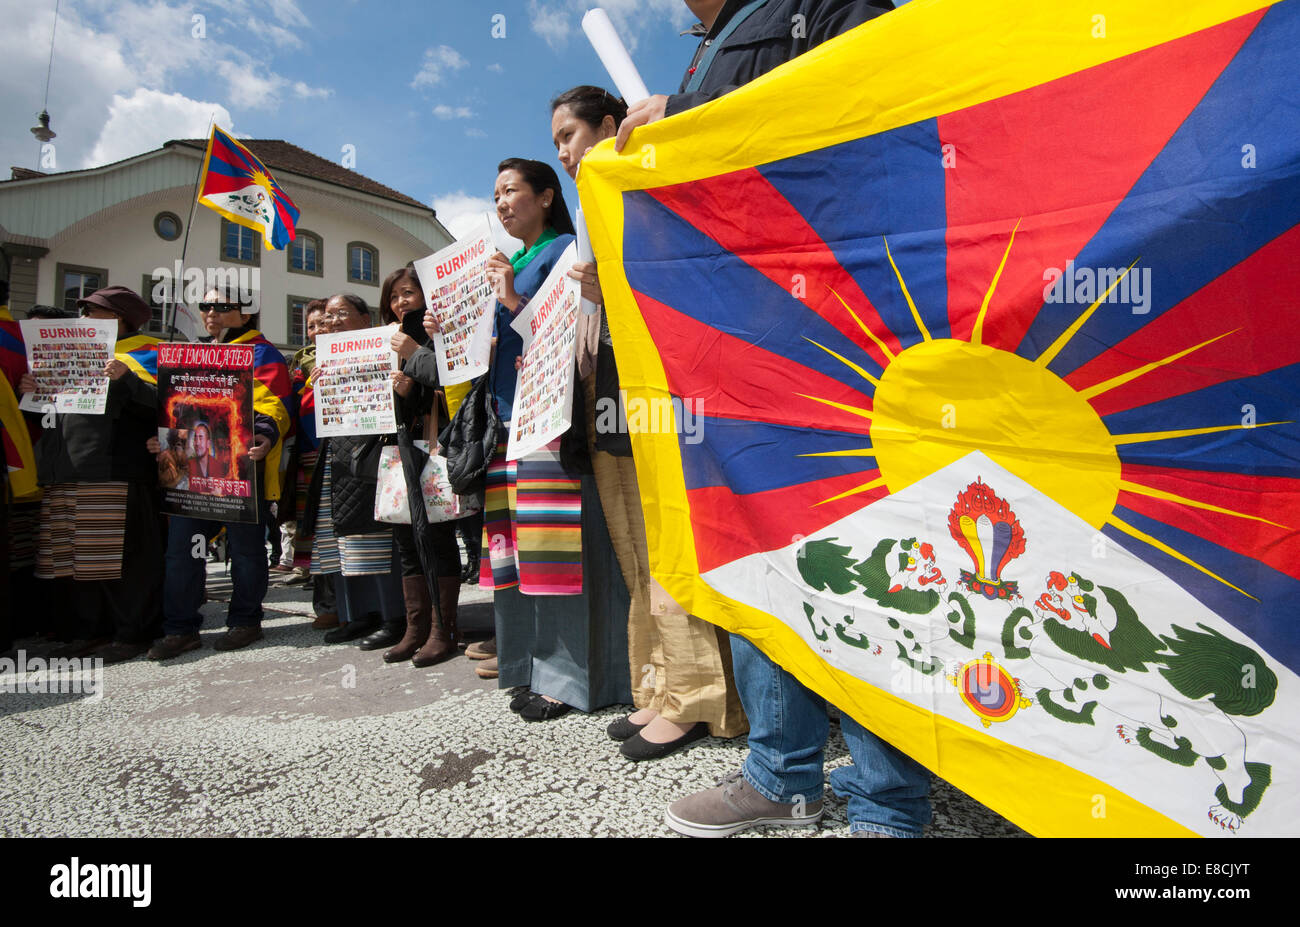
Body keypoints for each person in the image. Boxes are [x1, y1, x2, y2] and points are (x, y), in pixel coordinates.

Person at [613, 0, 927, 836]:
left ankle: (886, 799)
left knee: (856, 559)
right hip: (731, 341)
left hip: (830, 337)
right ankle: (783, 771)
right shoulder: (708, 46)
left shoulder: (823, 4)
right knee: (753, 554)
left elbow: (874, 107)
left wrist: (690, 122)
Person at [551, 85, 748, 760]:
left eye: (568, 136)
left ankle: (699, 700)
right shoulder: (588, 209)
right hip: (605, 393)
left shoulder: (651, 178)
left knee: (671, 551)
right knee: (637, 552)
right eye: (554, 143)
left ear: (609, 126)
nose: (563, 153)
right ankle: (659, 684)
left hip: (660, 394)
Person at [432, 158, 630, 718]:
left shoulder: (566, 252)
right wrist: (453, 334)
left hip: (548, 422)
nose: (500, 202)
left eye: (511, 190)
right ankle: (526, 662)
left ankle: (573, 678)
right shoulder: (512, 262)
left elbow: (573, 341)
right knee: (516, 556)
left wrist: (512, 301)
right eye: (495, 194)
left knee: (559, 555)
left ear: (546, 196)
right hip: (505, 425)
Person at [19, 286, 164, 663]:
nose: (82, 317)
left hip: (114, 471)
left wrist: (127, 381)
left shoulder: (145, 355)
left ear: (118, 319)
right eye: (82, 310)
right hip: (64, 470)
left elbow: (169, 405)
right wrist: (32, 395)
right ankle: (91, 631)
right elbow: (50, 417)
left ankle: (133, 631)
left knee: (122, 560)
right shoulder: (69, 354)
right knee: (78, 559)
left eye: (92, 311)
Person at [149, 285, 292, 659]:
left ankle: (245, 620)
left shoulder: (263, 354)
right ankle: (180, 628)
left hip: (241, 468)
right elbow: (173, 405)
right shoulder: (189, 353)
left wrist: (263, 435)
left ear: (246, 314)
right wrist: (163, 439)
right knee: (182, 551)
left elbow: (275, 407)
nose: (211, 312)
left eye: (223, 306)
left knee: (246, 551)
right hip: (188, 466)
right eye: (206, 306)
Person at [369, 266, 462, 664]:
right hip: (396, 449)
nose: (401, 301)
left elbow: (453, 382)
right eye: (394, 296)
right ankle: (415, 627)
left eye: (408, 292)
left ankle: (444, 630)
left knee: (438, 538)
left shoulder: (438, 332)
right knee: (406, 542)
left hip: (431, 446)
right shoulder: (380, 341)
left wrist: (412, 360)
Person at [299, 294, 404, 646]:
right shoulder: (323, 358)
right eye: (328, 316)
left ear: (365, 316)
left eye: (343, 313)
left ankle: (393, 615)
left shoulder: (384, 342)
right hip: (337, 454)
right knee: (340, 539)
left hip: (375, 450)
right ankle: (355, 614)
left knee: (378, 534)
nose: (334, 321)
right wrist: (319, 382)